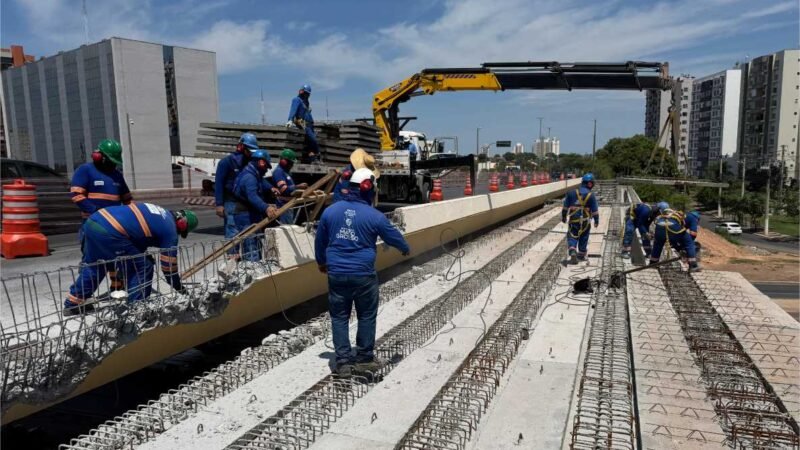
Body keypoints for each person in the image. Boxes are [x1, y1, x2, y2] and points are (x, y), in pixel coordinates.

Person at [315, 168, 410, 375]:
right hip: (363, 275)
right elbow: (393, 236)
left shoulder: (330, 211)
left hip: (337, 274)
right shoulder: (374, 216)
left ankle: (343, 362)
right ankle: (364, 359)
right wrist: (404, 248)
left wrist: (322, 262)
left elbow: (320, 241)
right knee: (366, 316)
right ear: (368, 188)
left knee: (339, 317)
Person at [64, 204, 198, 315]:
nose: (179, 235)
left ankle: (73, 304)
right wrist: (180, 289)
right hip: (112, 230)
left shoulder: (161, 212)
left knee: (96, 265)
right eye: (181, 232)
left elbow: (138, 234)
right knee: (143, 266)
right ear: (182, 225)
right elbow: (169, 268)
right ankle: (137, 310)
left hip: (94, 222)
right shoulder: (170, 230)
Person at [70, 138, 132, 289]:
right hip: (93, 225)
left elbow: (127, 199)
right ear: (99, 156)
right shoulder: (85, 170)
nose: (113, 164)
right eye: (110, 160)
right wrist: (96, 212)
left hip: (114, 227)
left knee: (117, 258)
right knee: (91, 261)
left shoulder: (116, 175)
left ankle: (117, 289)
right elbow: (77, 196)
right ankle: (81, 296)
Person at [215, 133, 257, 256]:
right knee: (232, 235)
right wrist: (219, 204)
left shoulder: (249, 163)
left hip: (245, 205)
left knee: (247, 234)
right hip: (230, 203)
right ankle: (232, 262)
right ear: (241, 147)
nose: (251, 153)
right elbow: (219, 184)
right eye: (249, 150)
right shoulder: (226, 163)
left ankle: (247, 264)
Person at [232, 150, 279, 261]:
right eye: (266, 167)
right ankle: (253, 273)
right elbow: (252, 197)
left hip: (249, 213)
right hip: (245, 215)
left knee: (255, 244)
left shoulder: (253, 173)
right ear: (262, 163)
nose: (266, 170)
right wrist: (266, 208)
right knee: (251, 248)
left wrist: (270, 188)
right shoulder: (250, 177)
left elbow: (261, 181)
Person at [562, 173, 599, 264]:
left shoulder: (571, 193)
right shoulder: (591, 195)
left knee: (572, 235)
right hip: (586, 221)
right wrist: (596, 221)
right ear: (590, 184)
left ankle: (572, 249)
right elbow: (595, 211)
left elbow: (565, 208)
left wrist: (563, 217)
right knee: (584, 237)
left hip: (574, 220)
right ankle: (581, 255)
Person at [650, 207, 700, 272]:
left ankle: (653, 263)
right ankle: (693, 265)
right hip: (672, 226)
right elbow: (693, 234)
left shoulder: (682, 215)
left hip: (659, 225)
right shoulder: (694, 218)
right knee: (690, 243)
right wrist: (686, 246)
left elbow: (674, 237)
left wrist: (678, 246)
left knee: (658, 244)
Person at [271, 149, 308, 224]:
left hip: (288, 204)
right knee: (286, 228)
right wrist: (298, 186)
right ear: (284, 162)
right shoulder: (279, 172)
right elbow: (283, 190)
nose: (292, 165)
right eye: (291, 163)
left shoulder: (286, 172)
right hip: (283, 205)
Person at [286, 84, 320, 163]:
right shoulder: (296, 100)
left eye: (308, 94)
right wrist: (290, 119)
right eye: (306, 93)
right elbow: (293, 110)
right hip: (304, 124)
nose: (307, 95)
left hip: (310, 124)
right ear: (302, 92)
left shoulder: (306, 102)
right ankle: (317, 154)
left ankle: (312, 158)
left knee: (309, 143)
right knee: (313, 140)